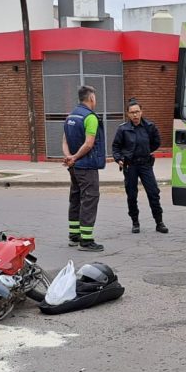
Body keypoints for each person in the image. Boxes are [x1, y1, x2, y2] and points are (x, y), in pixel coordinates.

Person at [112, 98, 168, 234]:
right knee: (131, 195)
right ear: (128, 114)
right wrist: (119, 159)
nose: (135, 115)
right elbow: (116, 147)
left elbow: (156, 142)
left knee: (153, 193)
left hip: (145, 164)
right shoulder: (123, 129)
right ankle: (135, 222)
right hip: (130, 165)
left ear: (141, 112)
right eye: (132, 113)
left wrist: (146, 150)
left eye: (137, 112)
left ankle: (159, 222)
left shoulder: (150, 126)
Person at [62, 84, 106, 252]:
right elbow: (89, 144)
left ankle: (74, 236)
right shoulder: (90, 117)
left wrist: (69, 157)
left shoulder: (70, 116)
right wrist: (75, 157)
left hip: (73, 167)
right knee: (89, 199)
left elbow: (64, 141)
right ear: (91, 98)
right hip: (86, 166)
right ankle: (86, 241)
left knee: (75, 197)